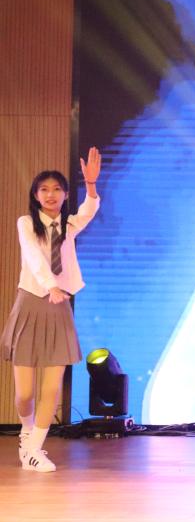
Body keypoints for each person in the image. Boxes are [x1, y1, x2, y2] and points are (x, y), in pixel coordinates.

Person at [1, 147, 102, 472]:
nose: (50, 194)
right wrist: (50, 286)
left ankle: (34, 449)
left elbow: (89, 210)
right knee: (25, 392)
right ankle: (26, 432)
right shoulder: (26, 223)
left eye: (57, 189)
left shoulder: (69, 225)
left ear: (65, 195)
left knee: (52, 386)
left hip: (59, 309)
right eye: (44, 189)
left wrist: (91, 185)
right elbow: (33, 256)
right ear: (35, 195)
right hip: (32, 303)